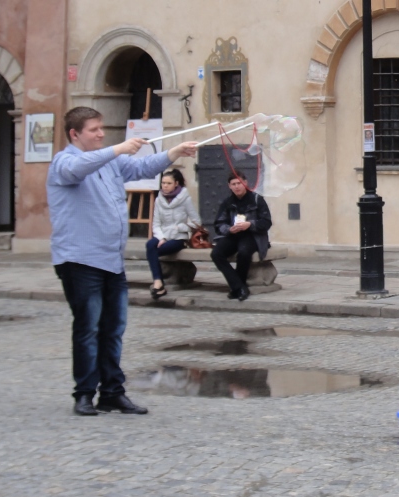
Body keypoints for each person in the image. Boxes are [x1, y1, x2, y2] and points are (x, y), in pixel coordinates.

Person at [48, 107, 198, 416]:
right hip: (80, 260)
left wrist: (174, 152)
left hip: (111, 261)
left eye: (101, 128)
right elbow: (78, 169)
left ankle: (112, 392)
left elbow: (142, 167)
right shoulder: (64, 162)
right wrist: (117, 149)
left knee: (113, 328)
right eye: (94, 129)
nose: (101, 134)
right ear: (75, 134)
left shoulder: (109, 161)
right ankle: (84, 393)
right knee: (88, 328)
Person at [211, 173, 272, 301]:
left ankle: (238, 288)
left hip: (253, 236)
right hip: (234, 235)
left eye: (239, 183)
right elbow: (219, 224)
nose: (237, 186)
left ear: (245, 183)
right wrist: (229, 229)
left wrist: (250, 224)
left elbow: (266, 222)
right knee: (216, 254)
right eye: (233, 184)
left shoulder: (257, 199)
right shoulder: (228, 202)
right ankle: (239, 286)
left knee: (244, 252)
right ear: (229, 186)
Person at [146, 168, 201, 300]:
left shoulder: (185, 199)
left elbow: (197, 222)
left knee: (154, 251)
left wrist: (180, 227)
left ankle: (158, 284)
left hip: (178, 238)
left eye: (168, 183)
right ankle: (158, 282)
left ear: (176, 184)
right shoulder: (159, 200)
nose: (165, 186)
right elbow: (156, 223)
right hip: (162, 236)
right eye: (163, 183)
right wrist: (162, 237)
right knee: (150, 245)